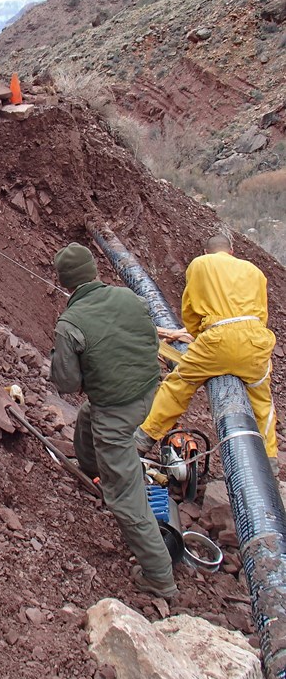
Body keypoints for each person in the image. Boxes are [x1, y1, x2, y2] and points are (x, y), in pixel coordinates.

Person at [50, 242, 177, 599]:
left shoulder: (69, 324)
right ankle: (94, 471)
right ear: (93, 271)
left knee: (126, 497)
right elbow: (152, 343)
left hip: (117, 413)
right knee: (87, 418)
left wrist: (59, 352)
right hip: (150, 394)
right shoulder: (130, 297)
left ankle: (159, 575)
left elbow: (66, 384)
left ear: (65, 282)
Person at [134, 235, 278, 475]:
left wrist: (198, 335)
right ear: (231, 251)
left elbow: (190, 309)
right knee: (263, 399)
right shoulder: (255, 271)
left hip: (217, 339)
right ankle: (270, 460)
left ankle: (143, 439)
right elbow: (261, 315)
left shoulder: (200, 265)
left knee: (179, 384)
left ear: (205, 251)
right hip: (255, 341)